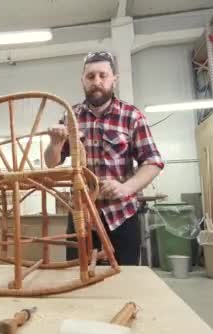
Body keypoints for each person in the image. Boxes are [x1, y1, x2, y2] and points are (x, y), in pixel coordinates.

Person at [44, 51, 164, 266]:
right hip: (81, 217)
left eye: (103, 75)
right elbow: (52, 163)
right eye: (90, 77)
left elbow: (153, 162)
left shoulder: (131, 116)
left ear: (114, 80)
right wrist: (54, 144)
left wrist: (126, 188)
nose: (96, 82)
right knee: (78, 281)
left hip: (121, 217)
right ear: (82, 80)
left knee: (124, 282)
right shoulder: (70, 117)